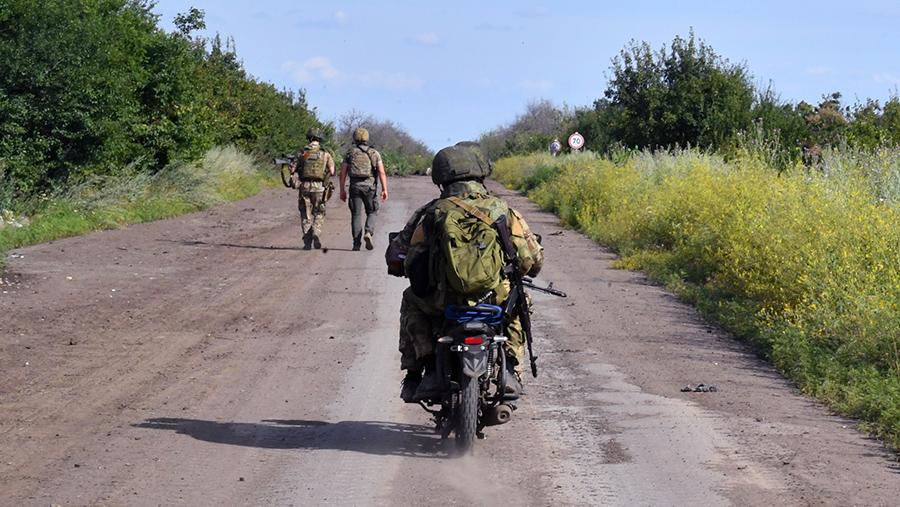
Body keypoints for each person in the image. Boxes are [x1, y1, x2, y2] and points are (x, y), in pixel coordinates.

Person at [385, 142, 544, 402]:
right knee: (521, 300)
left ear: (441, 178)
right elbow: (532, 263)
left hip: (443, 302)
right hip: (493, 300)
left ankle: (418, 372)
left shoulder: (430, 213)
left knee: (411, 301)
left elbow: (403, 259)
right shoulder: (504, 211)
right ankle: (511, 368)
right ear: (481, 174)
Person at [339, 128, 389, 251]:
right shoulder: (374, 153)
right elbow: (381, 172)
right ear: (367, 138)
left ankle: (356, 244)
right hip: (370, 187)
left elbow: (343, 173)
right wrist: (384, 189)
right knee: (372, 211)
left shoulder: (350, 153)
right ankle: (368, 232)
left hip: (355, 187)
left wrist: (342, 190)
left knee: (356, 215)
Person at [291, 128, 335, 250]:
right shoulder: (325, 154)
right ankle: (316, 231)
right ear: (320, 139)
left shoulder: (303, 153)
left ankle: (307, 242)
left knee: (306, 214)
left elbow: (292, 170)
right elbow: (332, 171)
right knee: (319, 212)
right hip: (319, 187)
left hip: (304, 186)